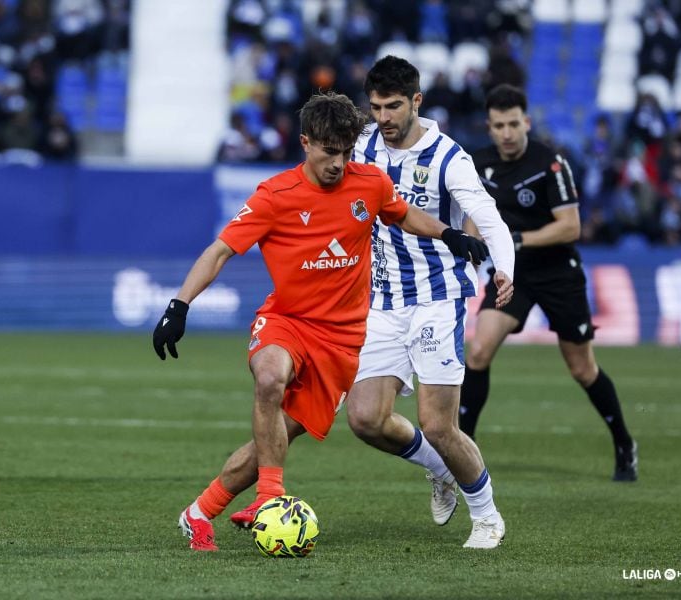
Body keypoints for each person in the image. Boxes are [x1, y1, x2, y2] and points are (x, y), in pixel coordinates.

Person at [152, 92, 490, 552]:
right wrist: (179, 305)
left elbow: (403, 214)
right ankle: (271, 499)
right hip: (286, 321)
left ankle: (198, 513)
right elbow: (220, 251)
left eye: (347, 152)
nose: (339, 162)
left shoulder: (367, 184)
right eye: (330, 152)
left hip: (341, 341)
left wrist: (448, 233)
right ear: (306, 143)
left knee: (274, 438)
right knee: (269, 377)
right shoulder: (275, 196)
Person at [346, 56, 514, 549]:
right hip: (383, 301)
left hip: (438, 298)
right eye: (375, 107)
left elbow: (488, 215)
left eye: (393, 106)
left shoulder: (448, 157)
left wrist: (505, 268)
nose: (384, 118)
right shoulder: (362, 146)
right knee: (364, 420)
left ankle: (487, 517)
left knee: (439, 423)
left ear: (416, 101)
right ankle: (439, 470)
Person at [458, 84, 638, 482]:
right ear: (489, 127)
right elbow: (473, 213)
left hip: (559, 274)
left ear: (526, 122)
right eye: (498, 125)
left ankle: (624, 442)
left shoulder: (550, 162)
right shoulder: (477, 163)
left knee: (581, 368)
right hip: (514, 276)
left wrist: (517, 239)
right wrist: (472, 243)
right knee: (479, 351)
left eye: (512, 124)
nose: (506, 133)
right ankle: (461, 452)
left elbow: (570, 226)